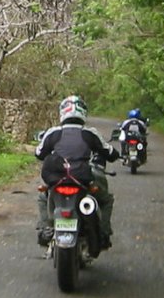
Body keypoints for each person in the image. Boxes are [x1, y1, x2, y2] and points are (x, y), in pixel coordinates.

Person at [34, 95, 119, 249]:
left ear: (62, 112)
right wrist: (114, 153)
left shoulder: (53, 133)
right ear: (83, 112)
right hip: (82, 178)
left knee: (42, 196)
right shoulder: (90, 134)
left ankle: (45, 227)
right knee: (106, 199)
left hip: (57, 179)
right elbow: (110, 153)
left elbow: (39, 153)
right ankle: (104, 233)